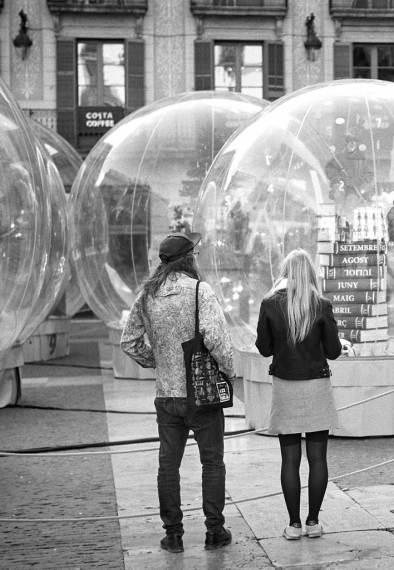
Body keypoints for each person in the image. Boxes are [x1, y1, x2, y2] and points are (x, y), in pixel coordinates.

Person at [121, 232, 234, 554]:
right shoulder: (199, 291)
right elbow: (216, 338)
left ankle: (173, 535)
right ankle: (214, 531)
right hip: (202, 394)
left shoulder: (147, 295)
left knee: (168, 466)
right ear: (189, 259)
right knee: (212, 462)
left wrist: (157, 360)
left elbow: (129, 341)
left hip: (167, 396)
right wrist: (228, 370)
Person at [255, 249, 343, 540]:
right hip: (316, 385)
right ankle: (313, 522)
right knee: (318, 458)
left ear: (285, 273)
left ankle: (293, 525)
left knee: (289, 459)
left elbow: (264, 348)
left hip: (285, 385)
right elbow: (333, 351)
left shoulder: (270, 303)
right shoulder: (322, 305)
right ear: (310, 273)